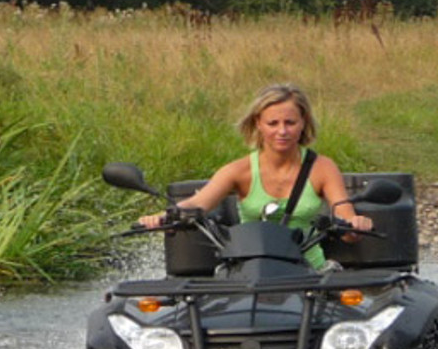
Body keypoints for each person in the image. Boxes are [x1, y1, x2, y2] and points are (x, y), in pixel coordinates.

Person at [140, 84, 372, 267]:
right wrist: (164, 217)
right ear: (258, 124)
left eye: (290, 122)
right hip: (249, 271)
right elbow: (198, 203)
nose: (282, 131)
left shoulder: (322, 168)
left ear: (303, 123)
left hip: (308, 271)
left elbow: (345, 218)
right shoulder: (239, 170)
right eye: (273, 123)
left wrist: (356, 225)